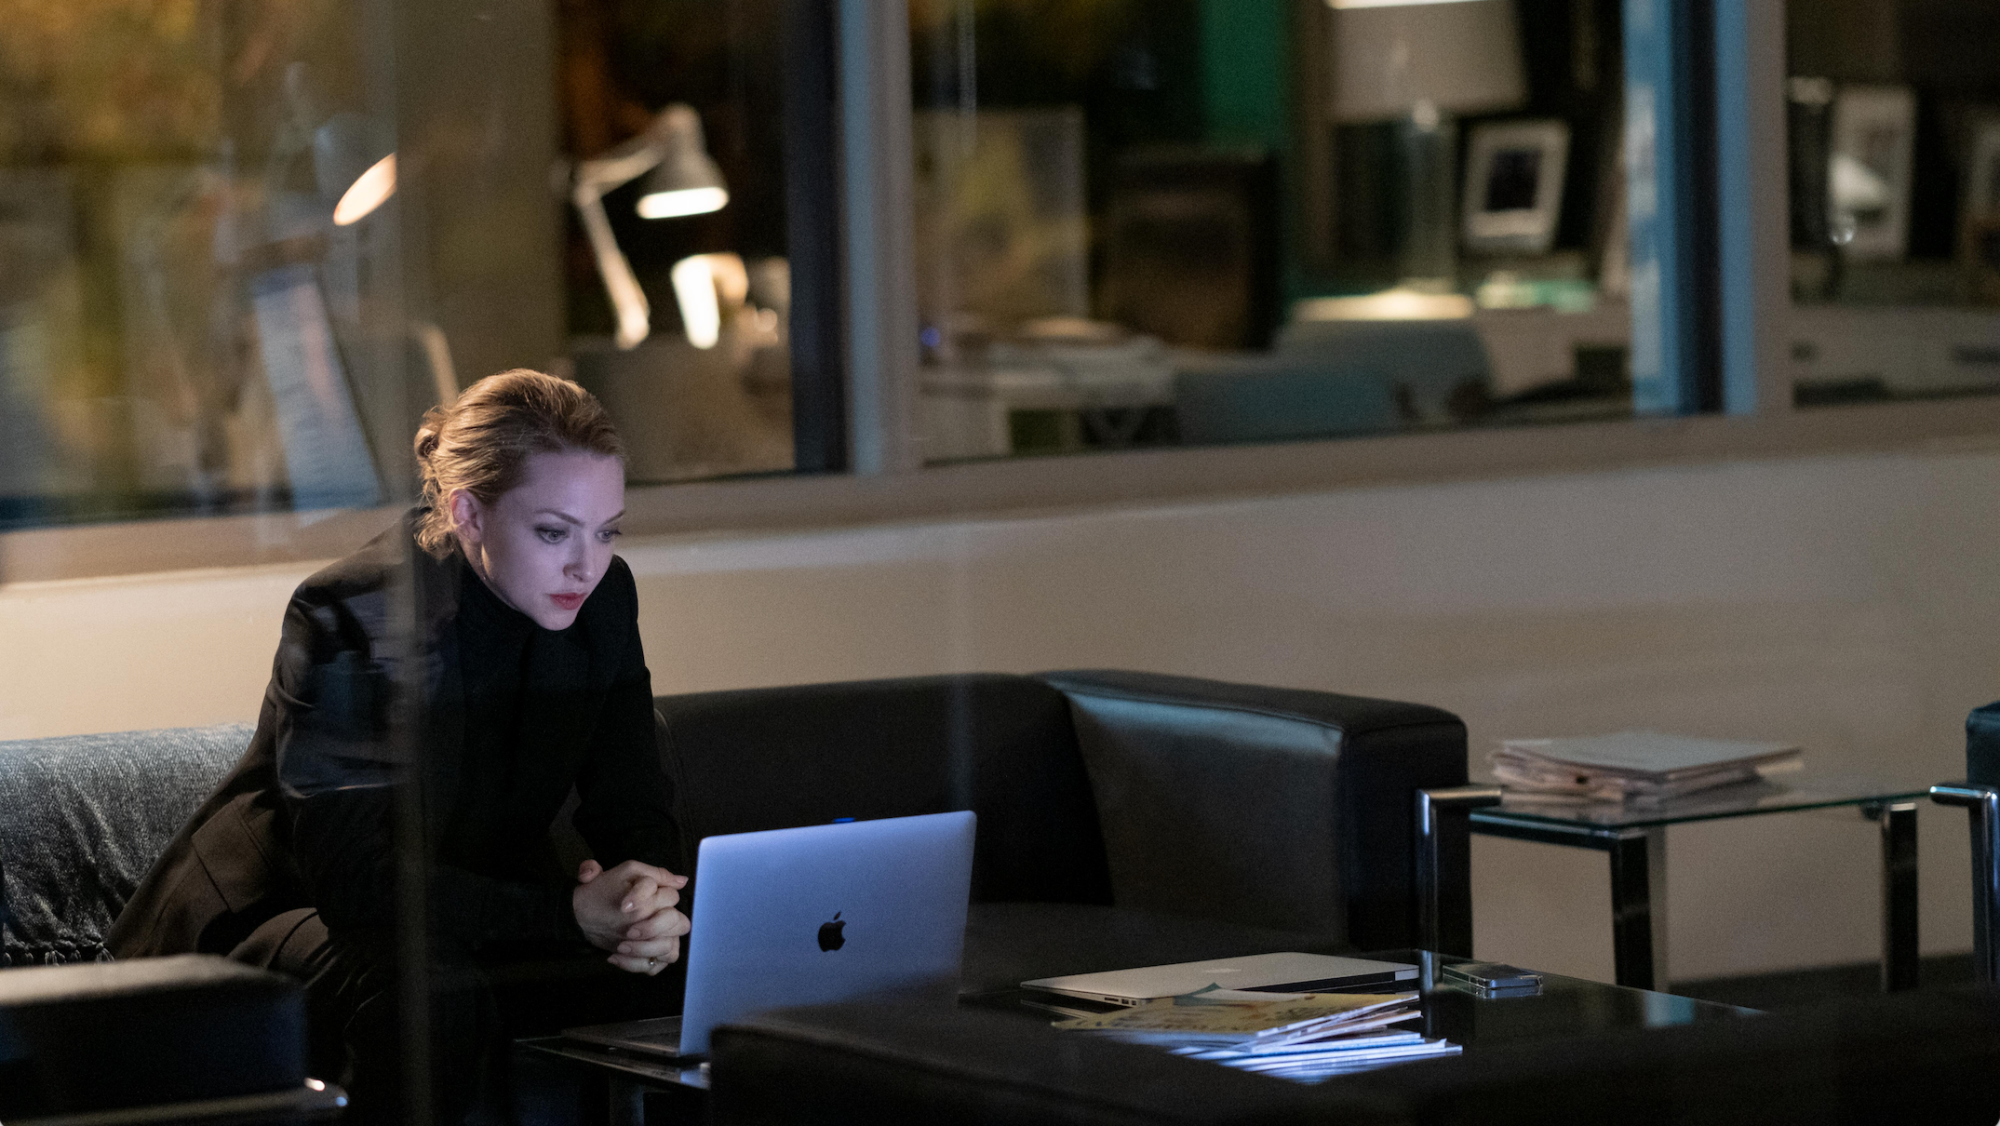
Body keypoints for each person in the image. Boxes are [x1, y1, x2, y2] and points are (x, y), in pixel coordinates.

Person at [109, 370, 691, 1123]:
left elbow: (634, 799)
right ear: (468, 513)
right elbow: (357, 883)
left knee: (675, 970)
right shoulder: (353, 612)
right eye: (554, 531)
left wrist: (653, 909)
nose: (587, 564)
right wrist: (568, 914)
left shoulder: (603, 598)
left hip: (459, 899)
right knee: (423, 992)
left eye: (606, 530)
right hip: (287, 910)